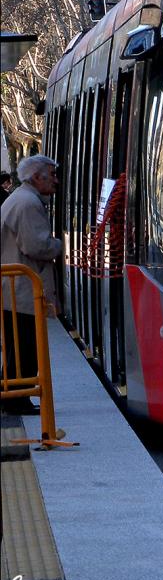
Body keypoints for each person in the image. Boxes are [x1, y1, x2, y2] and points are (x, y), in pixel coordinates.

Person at [1, 155, 61, 414]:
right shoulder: (28, 204)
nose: (56, 180)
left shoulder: (20, 198)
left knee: (18, 345)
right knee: (25, 344)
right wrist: (60, 245)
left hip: (15, 288)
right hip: (22, 289)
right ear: (37, 178)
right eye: (52, 175)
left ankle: (13, 395)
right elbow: (37, 246)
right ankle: (17, 398)